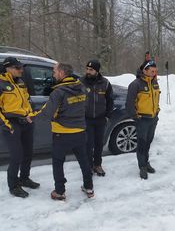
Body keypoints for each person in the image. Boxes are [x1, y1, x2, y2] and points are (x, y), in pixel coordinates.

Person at [29, 63, 94, 200]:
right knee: (84, 160)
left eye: (55, 71)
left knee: (58, 162)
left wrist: (32, 117)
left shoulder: (58, 92)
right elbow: (85, 106)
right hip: (80, 132)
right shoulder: (81, 88)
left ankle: (59, 191)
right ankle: (89, 187)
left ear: (62, 73)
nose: (53, 74)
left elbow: (46, 113)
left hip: (62, 134)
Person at [0, 57, 40, 198]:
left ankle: (24, 178)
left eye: (21, 67)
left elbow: (27, 100)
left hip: (26, 122)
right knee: (16, 156)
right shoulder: (1, 83)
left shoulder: (21, 82)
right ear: (8, 68)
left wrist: (31, 114)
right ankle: (13, 186)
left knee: (28, 153)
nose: (21, 70)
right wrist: (7, 124)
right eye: (18, 68)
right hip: (11, 123)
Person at [126, 60, 160, 179]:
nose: (154, 73)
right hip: (142, 119)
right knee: (142, 144)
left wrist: (157, 110)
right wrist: (135, 116)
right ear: (145, 70)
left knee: (148, 142)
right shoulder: (136, 84)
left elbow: (156, 99)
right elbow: (129, 103)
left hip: (153, 118)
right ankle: (142, 166)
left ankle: (146, 162)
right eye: (152, 71)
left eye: (155, 71)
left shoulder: (155, 83)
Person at [80, 59, 114, 176]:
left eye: (91, 69)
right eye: (87, 69)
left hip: (100, 118)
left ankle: (97, 165)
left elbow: (110, 100)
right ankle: (88, 166)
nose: (88, 71)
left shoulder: (105, 83)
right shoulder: (80, 82)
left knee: (99, 143)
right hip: (86, 118)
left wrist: (107, 116)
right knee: (88, 144)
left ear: (97, 71)